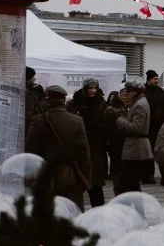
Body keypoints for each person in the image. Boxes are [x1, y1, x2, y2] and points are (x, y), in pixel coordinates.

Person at [26, 85, 92, 207]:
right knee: (71, 212)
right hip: (70, 176)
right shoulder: (77, 121)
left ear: (48, 100)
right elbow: (84, 153)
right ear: (63, 100)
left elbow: (30, 151)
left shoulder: (37, 120)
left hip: (45, 176)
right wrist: (85, 178)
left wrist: (29, 178)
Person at [70, 78, 109, 207]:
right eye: (90, 88)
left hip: (95, 145)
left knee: (95, 179)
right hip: (79, 144)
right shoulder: (76, 101)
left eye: (94, 88)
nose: (92, 90)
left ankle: (98, 208)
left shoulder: (101, 103)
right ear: (85, 89)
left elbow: (104, 125)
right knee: (78, 179)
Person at [113, 80, 153, 194]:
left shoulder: (139, 105)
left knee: (129, 185)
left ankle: (135, 210)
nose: (127, 94)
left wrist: (116, 119)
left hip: (136, 150)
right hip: (136, 148)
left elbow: (136, 128)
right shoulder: (139, 102)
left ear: (136, 92)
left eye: (129, 91)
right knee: (132, 186)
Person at [144, 70, 164, 185]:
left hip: (158, 125)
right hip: (147, 126)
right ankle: (148, 175)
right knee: (148, 151)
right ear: (149, 79)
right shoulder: (143, 91)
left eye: (157, 78)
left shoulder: (159, 91)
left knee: (158, 150)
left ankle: (163, 176)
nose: (157, 80)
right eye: (154, 78)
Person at [25, 67, 42, 131]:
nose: (35, 79)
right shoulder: (28, 93)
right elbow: (29, 114)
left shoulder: (31, 90)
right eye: (33, 76)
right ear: (27, 79)